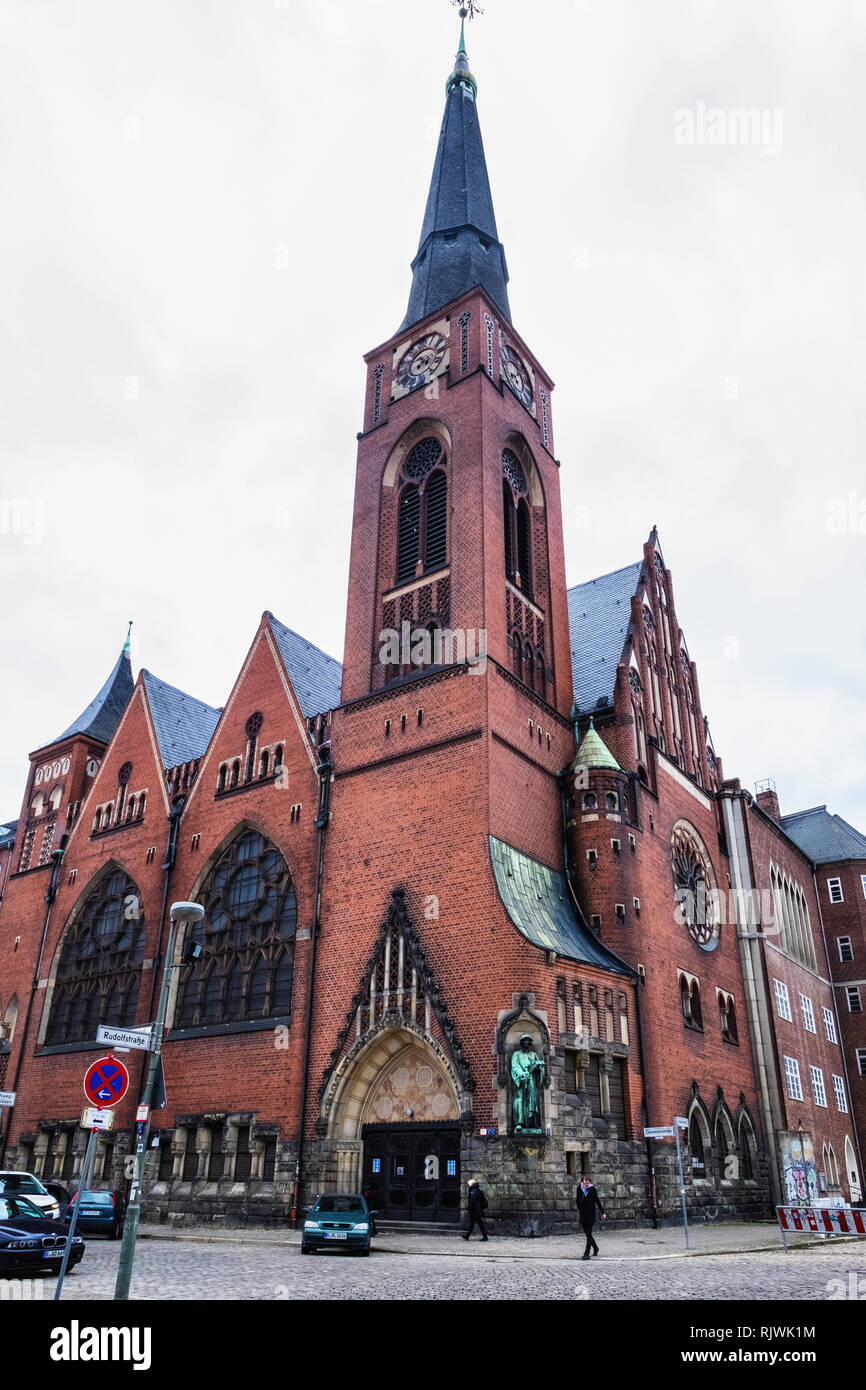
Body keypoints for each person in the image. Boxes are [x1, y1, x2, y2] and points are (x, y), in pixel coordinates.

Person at [577, 1174, 606, 1259]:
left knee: (589, 1233)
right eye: (585, 1180)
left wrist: (602, 1212)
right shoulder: (579, 1188)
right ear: (583, 1181)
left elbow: (597, 1200)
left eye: (588, 1181)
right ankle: (596, 1248)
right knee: (587, 1234)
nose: (587, 1182)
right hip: (583, 1214)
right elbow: (577, 1201)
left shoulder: (592, 1189)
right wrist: (580, 1209)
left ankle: (586, 1253)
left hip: (591, 1214)